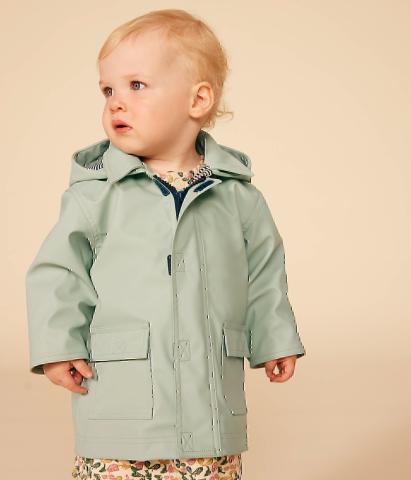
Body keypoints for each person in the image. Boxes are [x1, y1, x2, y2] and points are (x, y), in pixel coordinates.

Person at [25, 8, 306, 480]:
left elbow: (264, 272)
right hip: (121, 412)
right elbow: (58, 272)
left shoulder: (237, 196)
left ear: (197, 99)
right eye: (108, 90)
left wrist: (275, 337)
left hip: (209, 415)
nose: (116, 103)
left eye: (136, 85)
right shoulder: (96, 194)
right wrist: (57, 344)